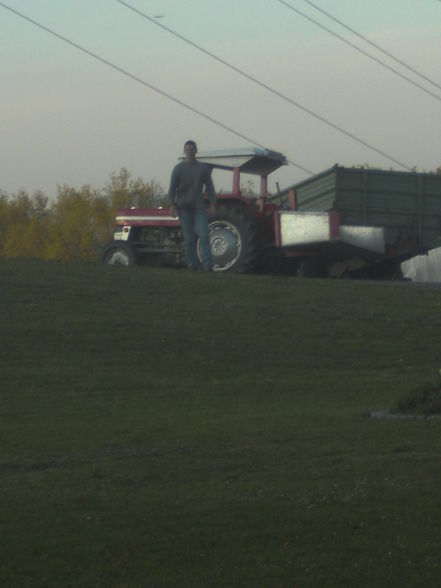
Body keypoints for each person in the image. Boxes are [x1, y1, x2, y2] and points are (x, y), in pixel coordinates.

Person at [168, 140, 217, 271]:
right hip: (184, 208)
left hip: (198, 208)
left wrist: (213, 204)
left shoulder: (202, 169)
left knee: (204, 236)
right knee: (189, 239)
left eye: (192, 149)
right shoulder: (178, 169)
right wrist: (172, 205)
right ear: (185, 151)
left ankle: (208, 265)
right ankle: (192, 265)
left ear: (195, 151)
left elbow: (210, 187)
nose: (190, 152)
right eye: (187, 149)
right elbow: (172, 188)